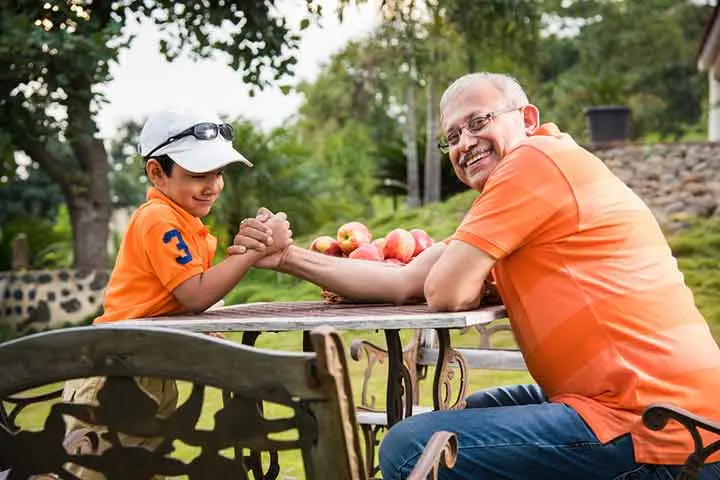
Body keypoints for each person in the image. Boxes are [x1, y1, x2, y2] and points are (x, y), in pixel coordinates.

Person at [230, 73, 720, 479]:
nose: (464, 143)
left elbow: (443, 292)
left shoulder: (533, 163)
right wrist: (287, 256)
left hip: (664, 429)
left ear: (527, 119)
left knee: (410, 449)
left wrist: (455, 280)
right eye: (452, 137)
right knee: (460, 419)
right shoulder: (528, 181)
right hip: (626, 405)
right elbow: (405, 282)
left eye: (479, 121)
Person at [61, 108, 292, 479]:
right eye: (198, 174)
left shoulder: (186, 223)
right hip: (115, 378)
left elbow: (181, 297)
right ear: (157, 172)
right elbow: (194, 294)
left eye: (217, 173)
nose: (213, 185)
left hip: (146, 372)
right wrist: (255, 252)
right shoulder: (158, 219)